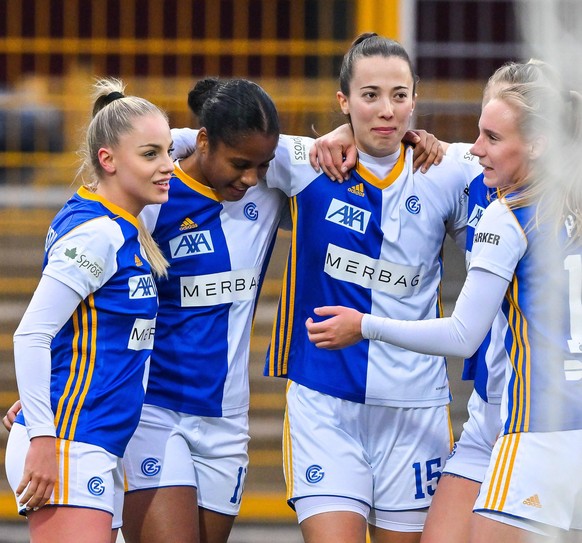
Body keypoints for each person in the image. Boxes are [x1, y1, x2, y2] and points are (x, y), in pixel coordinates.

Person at [306, 75, 582, 541]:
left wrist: (365, 325)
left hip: (535, 420)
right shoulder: (480, 173)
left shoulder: (509, 210)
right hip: (494, 413)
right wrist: (344, 132)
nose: (476, 147)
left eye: (491, 137)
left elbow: (461, 335)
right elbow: (394, 139)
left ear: (537, 144)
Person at [264, 32, 481, 543]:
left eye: (399, 96)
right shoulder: (306, 162)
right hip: (324, 403)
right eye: (369, 96)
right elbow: (193, 140)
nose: (386, 110)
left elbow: (527, 156)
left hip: (415, 409)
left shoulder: (447, 169)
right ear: (344, 101)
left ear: (414, 99)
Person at [3, 78, 173, 543]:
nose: (167, 167)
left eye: (168, 153)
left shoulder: (120, 221)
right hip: (67, 445)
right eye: (151, 155)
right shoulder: (98, 234)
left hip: (90, 442)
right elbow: (31, 334)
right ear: (108, 160)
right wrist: (42, 434)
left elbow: (82, 329)